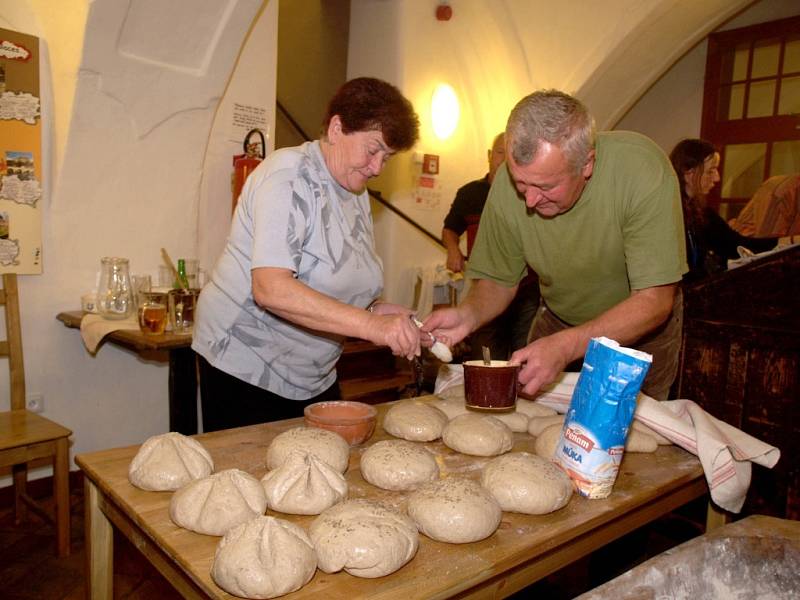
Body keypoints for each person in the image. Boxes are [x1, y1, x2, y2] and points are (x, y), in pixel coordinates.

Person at [423, 89, 686, 400]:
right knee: (530, 419)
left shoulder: (640, 170)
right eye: (522, 184)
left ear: (586, 163)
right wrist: (468, 314)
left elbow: (654, 301)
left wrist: (567, 346)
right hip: (560, 317)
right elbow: (497, 280)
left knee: (631, 437)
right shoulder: (508, 185)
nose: (530, 200)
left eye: (545, 186)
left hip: (641, 333)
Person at [193, 77, 421, 431]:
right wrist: (371, 325)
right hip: (247, 363)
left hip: (312, 371)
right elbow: (271, 288)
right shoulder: (287, 176)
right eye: (373, 149)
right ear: (336, 128)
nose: (377, 167)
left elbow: (330, 277)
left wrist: (377, 309)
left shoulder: (354, 190)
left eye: (387, 157)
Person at [441, 133, 539, 360]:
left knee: (524, 354)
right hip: (486, 287)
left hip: (527, 289)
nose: (504, 158)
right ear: (489, 156)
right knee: (485, 355)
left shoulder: (529, 192)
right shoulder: (470, 193)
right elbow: (450, 229)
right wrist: (453, 249)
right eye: (499, 152)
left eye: (510, 154)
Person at [669, 138, 781, 281]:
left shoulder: (703, 214)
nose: (717, 178)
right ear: (688, 173)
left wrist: (786, 242)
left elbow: (734, 244)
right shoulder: (669, 213)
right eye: (711, 171)